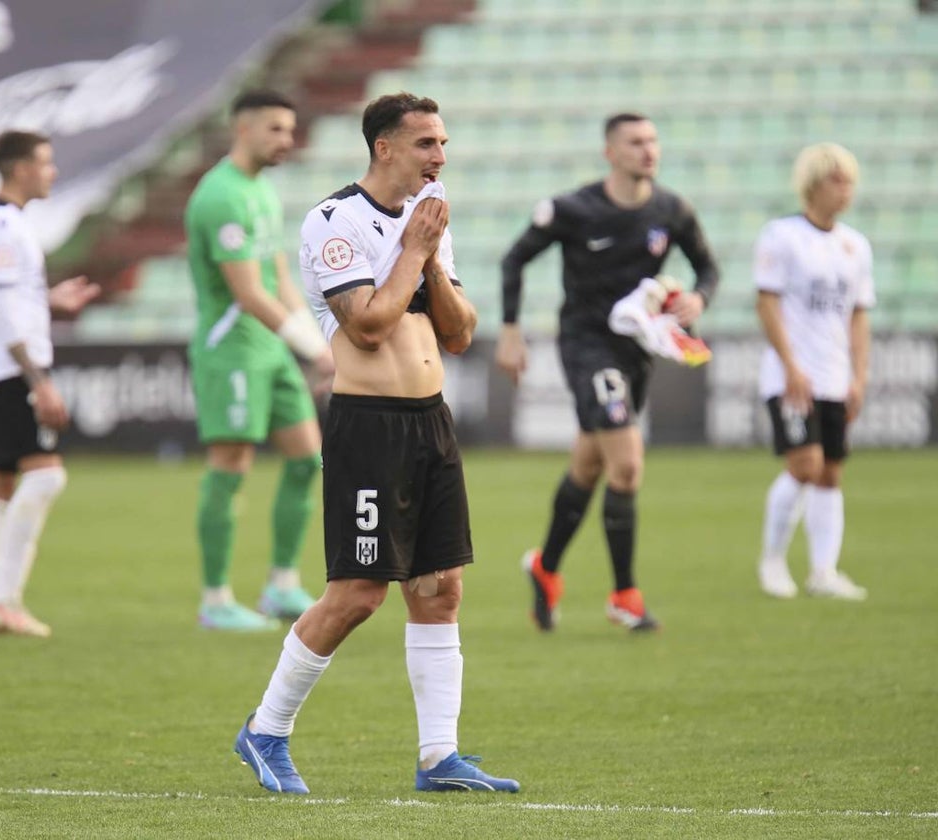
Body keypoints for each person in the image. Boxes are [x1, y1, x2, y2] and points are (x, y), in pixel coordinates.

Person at [233, 92, 519, 795]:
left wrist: (426, 255)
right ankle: (265, 731)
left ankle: (438, 757)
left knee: (441, 587)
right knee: (358, 594)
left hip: (431, 421)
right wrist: (414, 251)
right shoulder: (334, 222)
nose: (440, 157)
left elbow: (458, 331)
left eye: (444, 144)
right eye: (426, 144)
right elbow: (365, 326)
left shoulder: (429, 217)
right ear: (384, 147)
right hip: (370, 427)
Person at [496, 113, 720, 633]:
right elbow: (514, 259)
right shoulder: (575, 209)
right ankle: (625, 595)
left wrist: (696, 297)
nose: (649, 150)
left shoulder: (672, 209)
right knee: (628, 466)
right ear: (610, 153)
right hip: (586, 346)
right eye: (636, 142)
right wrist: (510, 330)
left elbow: (707, 268)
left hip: (637, 350)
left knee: (590, 467)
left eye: (653, 140)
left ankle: (545, 568)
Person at [184, 90, 334, 631]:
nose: (286, 141)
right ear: (242, 130)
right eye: (275, 129)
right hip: (232, 352)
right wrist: (314, 348)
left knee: (306, 461)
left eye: (289, 130)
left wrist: (319, 341)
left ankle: (281, 585)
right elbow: (249, 293)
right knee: (230, 467)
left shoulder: (261, 191)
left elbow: (279, 279)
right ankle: (215, 599)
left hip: (270, 350)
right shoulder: (221, 197)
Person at [0, 130, 99, 638]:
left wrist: (48, 301)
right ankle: (4, 600)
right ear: (19, 168)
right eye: (45, 162)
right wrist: (38, 380)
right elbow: (0, 308)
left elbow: (7, 299)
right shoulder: (4, 225)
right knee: (45, 476)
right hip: (9, 368)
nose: (52, 171)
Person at [755, 143, 872, 601]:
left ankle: (824, 571)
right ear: (813, 184)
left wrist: (858, 377)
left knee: (831, 473)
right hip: (791, 376)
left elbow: (859, 315)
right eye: (836, 180)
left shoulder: (854, 245)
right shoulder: (782, 236)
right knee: (805, 465)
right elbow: (767, 302)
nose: (846, 190)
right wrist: (790, 366)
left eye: (850, 181)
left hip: (834, 375)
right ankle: (772, 560)